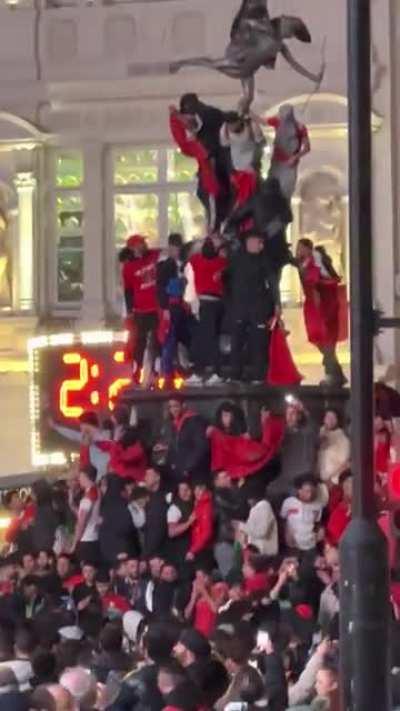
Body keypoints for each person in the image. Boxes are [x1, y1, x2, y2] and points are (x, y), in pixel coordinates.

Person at [226, 232, 280, 383]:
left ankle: (258, 376)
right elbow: (227, 281)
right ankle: (235, 374)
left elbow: (272, 283)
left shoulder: (265, 261)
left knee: (258, 342)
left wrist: (276, 304)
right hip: (239, 307)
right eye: (255, 242)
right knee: (237, 342)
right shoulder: (237, 259)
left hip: (258, 307)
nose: (257, 245)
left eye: (258, 242)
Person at [296, 238, 346, 387]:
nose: (298, 251)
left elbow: (328, 281)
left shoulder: (318, 263)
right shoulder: (301, 263)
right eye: (297, 248)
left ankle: (331, 374)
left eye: (301, 248)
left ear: (309, 249)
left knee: (327, 341)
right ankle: (337, 374)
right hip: (312, 306)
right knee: (320, 341)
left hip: (324, 306)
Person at [186, 234, 227, 386]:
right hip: (217, 303)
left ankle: (212, 372)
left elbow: (190, 254)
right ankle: (204, 371)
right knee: (208, 338)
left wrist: (200, 240)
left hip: (207, 304)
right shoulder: (222, 262)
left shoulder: (196, 261)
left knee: (207, 339)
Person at [121, 234, 161, 385]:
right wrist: (130, 310)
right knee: (140, 342)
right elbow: (128, 290)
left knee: (159, 339)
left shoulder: (155, 255)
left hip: (157, 307)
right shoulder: (129, 267)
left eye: (144, 242)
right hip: (141, 310)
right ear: (133, 248)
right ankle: (137, 370)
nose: (144, 244)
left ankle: (156, 370)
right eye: (141, 243)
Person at [257, 104, 310, 201]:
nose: (282, 117)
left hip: (290, 164)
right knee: (271, 189)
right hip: (276, 162)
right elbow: (262, 121)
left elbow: (307, 147)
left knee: (286, 191)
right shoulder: (277, 122)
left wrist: (296, 157)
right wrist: (249, 112)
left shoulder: (300, 127)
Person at [157, 233, 191, 379]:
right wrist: (164, 308)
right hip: (171, 306)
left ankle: (183, 366)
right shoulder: (165, 267)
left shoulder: (185, 264)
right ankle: (167, 371)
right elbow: (160, 288)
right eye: (173, 248)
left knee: (183, 337)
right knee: (169, 339)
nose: (175, 251)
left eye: (177, 248)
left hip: (183, 306)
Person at [158, 398, 210, 485]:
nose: (173, 410)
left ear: (183, 405)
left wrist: (187, 467)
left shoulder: (194, 421)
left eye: (176, 406)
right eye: (170, 407)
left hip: (194, 473)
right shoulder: (173, 424)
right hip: (178, 472)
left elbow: (201, 447)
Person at [219, 112, 265, 207]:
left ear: (239, 121)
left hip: (252, 169)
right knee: (238, 200)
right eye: (229, 125)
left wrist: (256, 161)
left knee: (255, 196)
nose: (231, 128)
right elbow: (225, 149)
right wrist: (230, 170)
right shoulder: (224, 131)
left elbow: (261, 143)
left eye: (233, 124)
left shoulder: (252, 127)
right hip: (237, 170)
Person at [49, 411, 110, 482]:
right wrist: (56, 427)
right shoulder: (90, 436)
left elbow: (76, 436)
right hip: (101, 472)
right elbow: (72, 435)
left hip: (105, 472)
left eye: (81, 424)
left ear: (87, 424)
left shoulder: (100, 437)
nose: (80, 427)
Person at [281, 475, 328, 557]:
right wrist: (286, 535)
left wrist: (320, 531)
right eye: (307, 491)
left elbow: (317, 523)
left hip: (310, 545)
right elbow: (282, 519)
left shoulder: (318, 506)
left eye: (312, 492)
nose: (310, 495)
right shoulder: (289, 502)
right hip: (293, 545)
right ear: (299, 490)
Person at [98, 475, 140, 566]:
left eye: (104, 485)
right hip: (122, 550)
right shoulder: (103, 505)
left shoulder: (105, 507)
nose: (102, 488)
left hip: (117, 552)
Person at [69, 467, 100, 565]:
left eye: (80, 477)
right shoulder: (95, 491)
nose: (79, 480)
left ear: (86, 477)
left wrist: (74, 544)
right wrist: (72, 505)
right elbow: (84, 515)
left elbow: (81, 521)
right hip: (92, 537)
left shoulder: (90, 494)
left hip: (87, 540)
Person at [317, 409, 350, 486]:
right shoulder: (322, 434)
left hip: (334, 483)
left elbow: (346, 464)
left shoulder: (343, 439)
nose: (330, 420)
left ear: (338, 420)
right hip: (321, 482)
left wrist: (332, 481)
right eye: (328, 417)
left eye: (333, 418)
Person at [166, 482, 195, 566]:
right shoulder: (175, 508)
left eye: (189, 490)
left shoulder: (193, 503)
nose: (187, 493)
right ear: (178, 493)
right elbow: (171, 532)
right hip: (182, 551)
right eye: (184, 490)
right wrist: (189, 522)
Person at [142, 468, 168, 560]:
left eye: (148, 475)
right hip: (147, 547)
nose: (145, 478)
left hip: (159, 552)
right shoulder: (147, 498)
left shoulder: (162, 499)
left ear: (157, 477)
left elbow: (158, 528)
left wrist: (147, 553)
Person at [186, 484, 214, 567]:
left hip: (203, 549)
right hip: (199, 547)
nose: (197, 492)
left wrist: (193, 550)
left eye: (200, 489)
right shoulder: (198, 504)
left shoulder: (206, 505)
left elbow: (207, 532)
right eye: (195, 489)